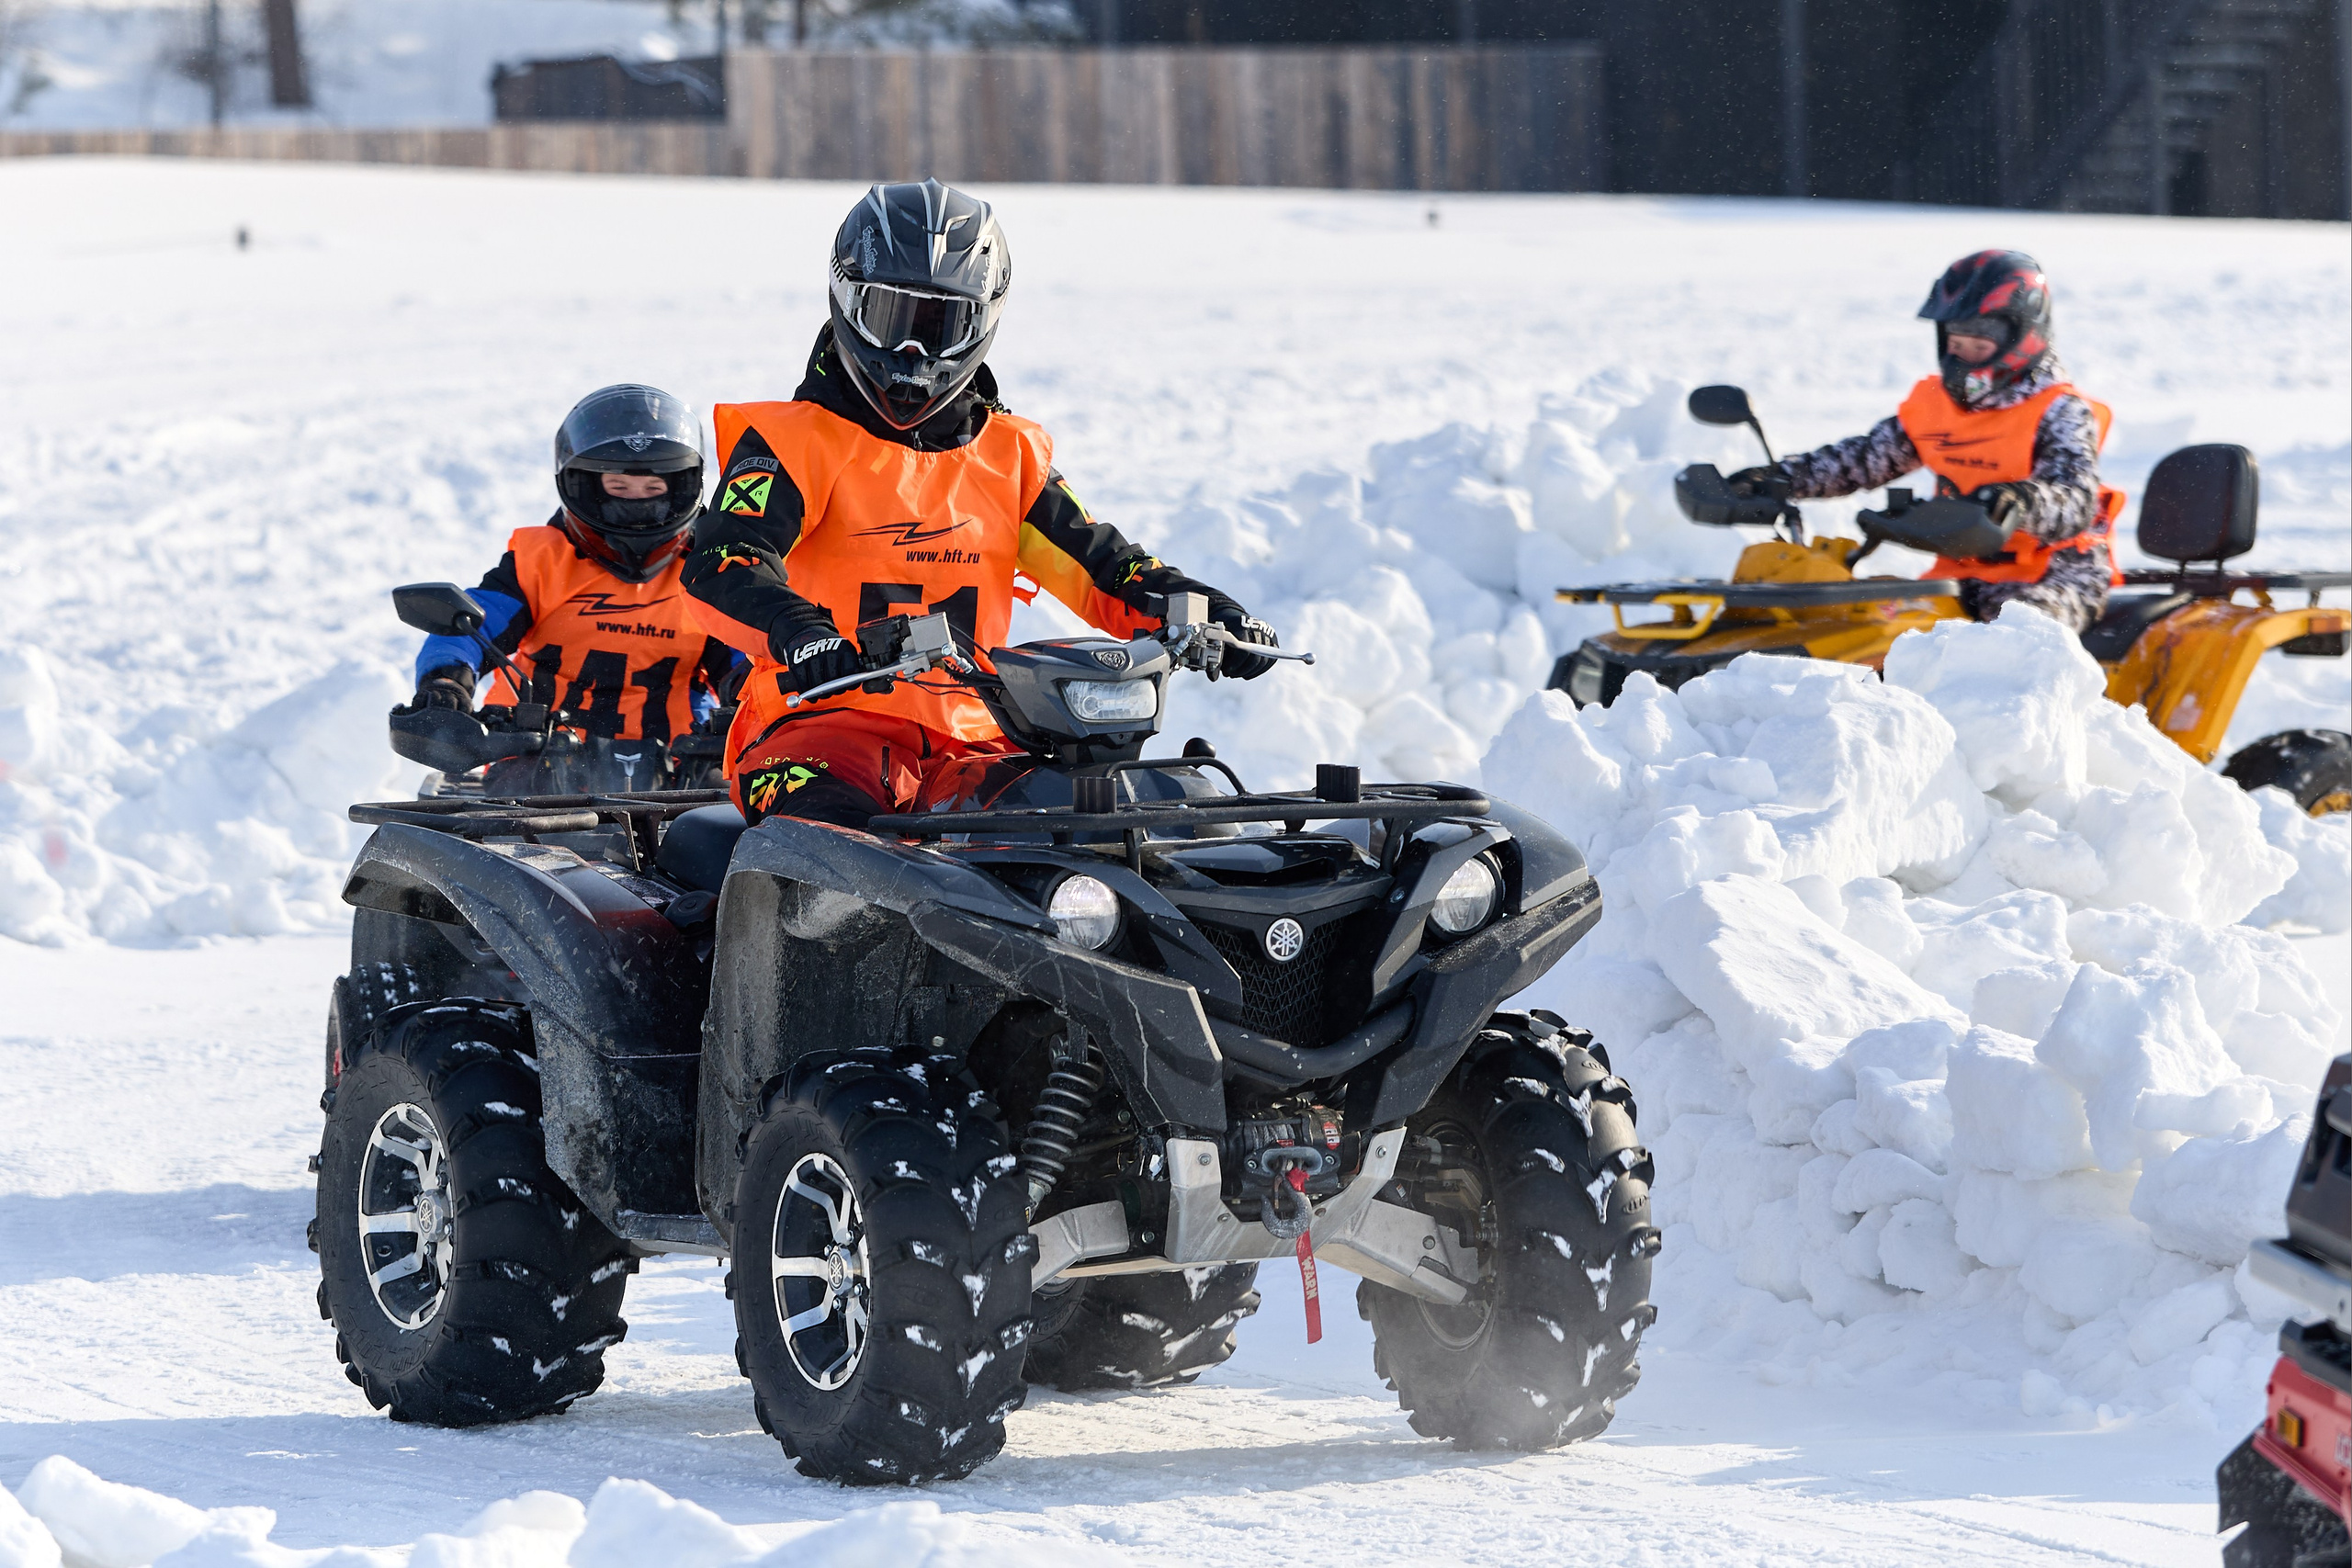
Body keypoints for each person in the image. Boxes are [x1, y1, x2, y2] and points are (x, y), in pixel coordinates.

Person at [683, 178, 1278, 828]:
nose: (913, 352)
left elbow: (1108, 568)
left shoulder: (1009, 458)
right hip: (814, 738)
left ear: (984, 322)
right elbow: (723, 562)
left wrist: (1209, 612)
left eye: (941, 325)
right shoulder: (789, 442)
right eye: (891, 317)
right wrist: (803, 632)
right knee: (840, 857)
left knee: (1103, 829)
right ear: (846, 301)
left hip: (976, 741)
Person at [1732, 250, 2123, 632]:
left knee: (2015, 641)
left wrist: (2021, 500)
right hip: (1960, 571)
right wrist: (1781, 478)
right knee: (1861, 630)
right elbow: (1867, 458)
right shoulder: (1936, 405)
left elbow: (2074, 499)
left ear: (2024, 340)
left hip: (2054, 576)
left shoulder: (2060, 410)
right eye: (1956, 345)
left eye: (1979, 348)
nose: (1964, 359)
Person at [406, 384, 744, 778]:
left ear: (682, 489)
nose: (637, 505)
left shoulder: (708, 572)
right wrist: (447, 681)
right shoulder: (538, 561)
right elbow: (473, 623)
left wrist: (751, 699)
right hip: (532, 766)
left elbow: (745, 654)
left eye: (653, 489)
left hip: (684, 773)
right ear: (586, 486)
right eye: (619, 488)